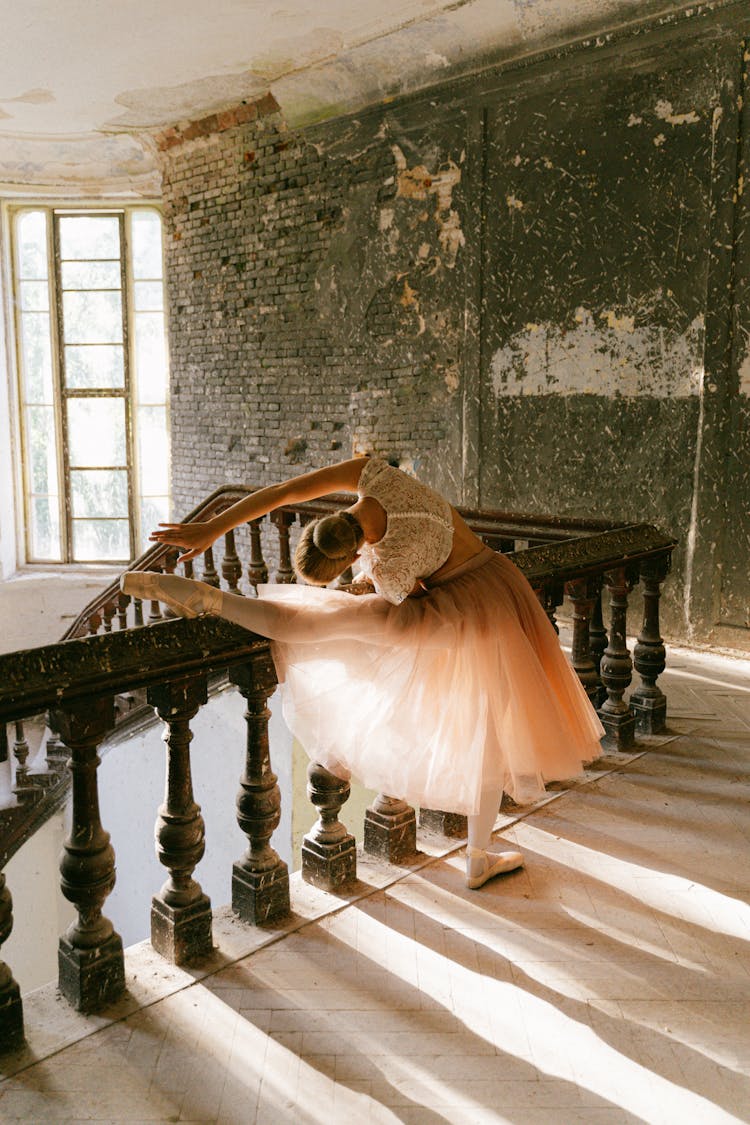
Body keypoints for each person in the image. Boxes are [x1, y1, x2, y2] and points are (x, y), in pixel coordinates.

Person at [122, 456, 604, 889]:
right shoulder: (375, 473)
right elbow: (287, 493)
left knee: (313, 623)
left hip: (468, 607)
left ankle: (209, 598)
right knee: (488, 731)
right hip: (495, 581)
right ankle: (478, 857)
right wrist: (212, 527)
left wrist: (211, 530)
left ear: (350, 553)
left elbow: (408, 595)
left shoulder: (394, 565)